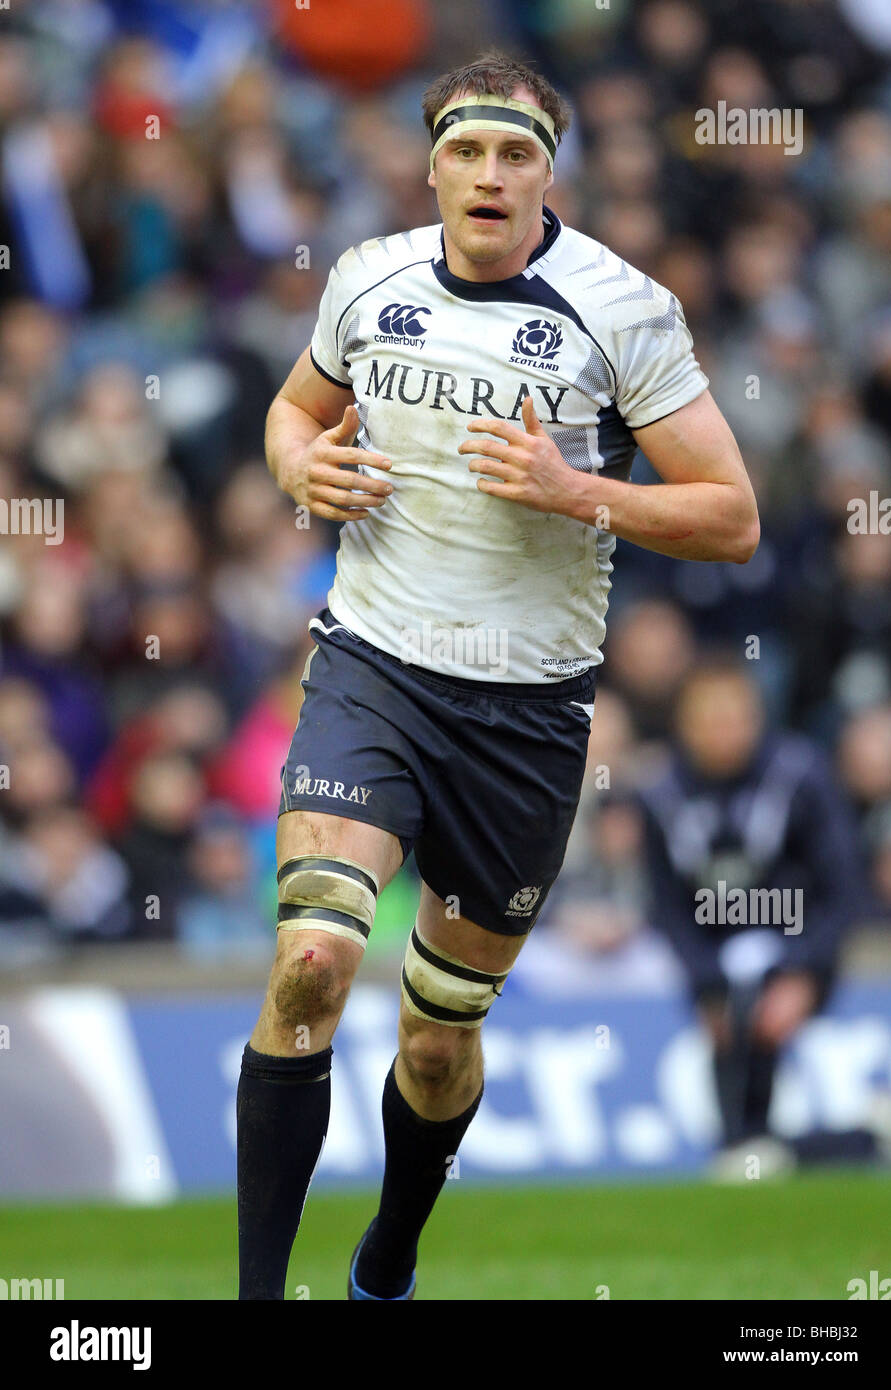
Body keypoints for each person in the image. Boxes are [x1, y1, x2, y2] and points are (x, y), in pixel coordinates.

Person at [236, 50, 759, 1301]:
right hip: (372, 669)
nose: (488, 174)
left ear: (546, 172)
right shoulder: (366, 279)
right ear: (429, 166)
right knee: (310, 960)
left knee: (434, 1038)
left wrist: (582, 492)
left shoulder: (619, 309)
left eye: (515, 153)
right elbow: (291, 414)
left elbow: (732, 515)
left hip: (524, 719)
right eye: (465, 152)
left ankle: (391, 1252)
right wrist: (297, 470)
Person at [638, 658, 885, 1177]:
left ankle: (749, 1148)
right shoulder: (660, 795)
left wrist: (805, 973)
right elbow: (666, 908)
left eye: (736, 717)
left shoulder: (801, 777)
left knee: (756, 1010)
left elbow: (842, 892)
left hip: (794, 949)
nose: (723, 732)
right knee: (747, 1106)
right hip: (716, 961)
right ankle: (845, 1143)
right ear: (684, 724)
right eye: (709, 718)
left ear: (758, 717)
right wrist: (704, 985)